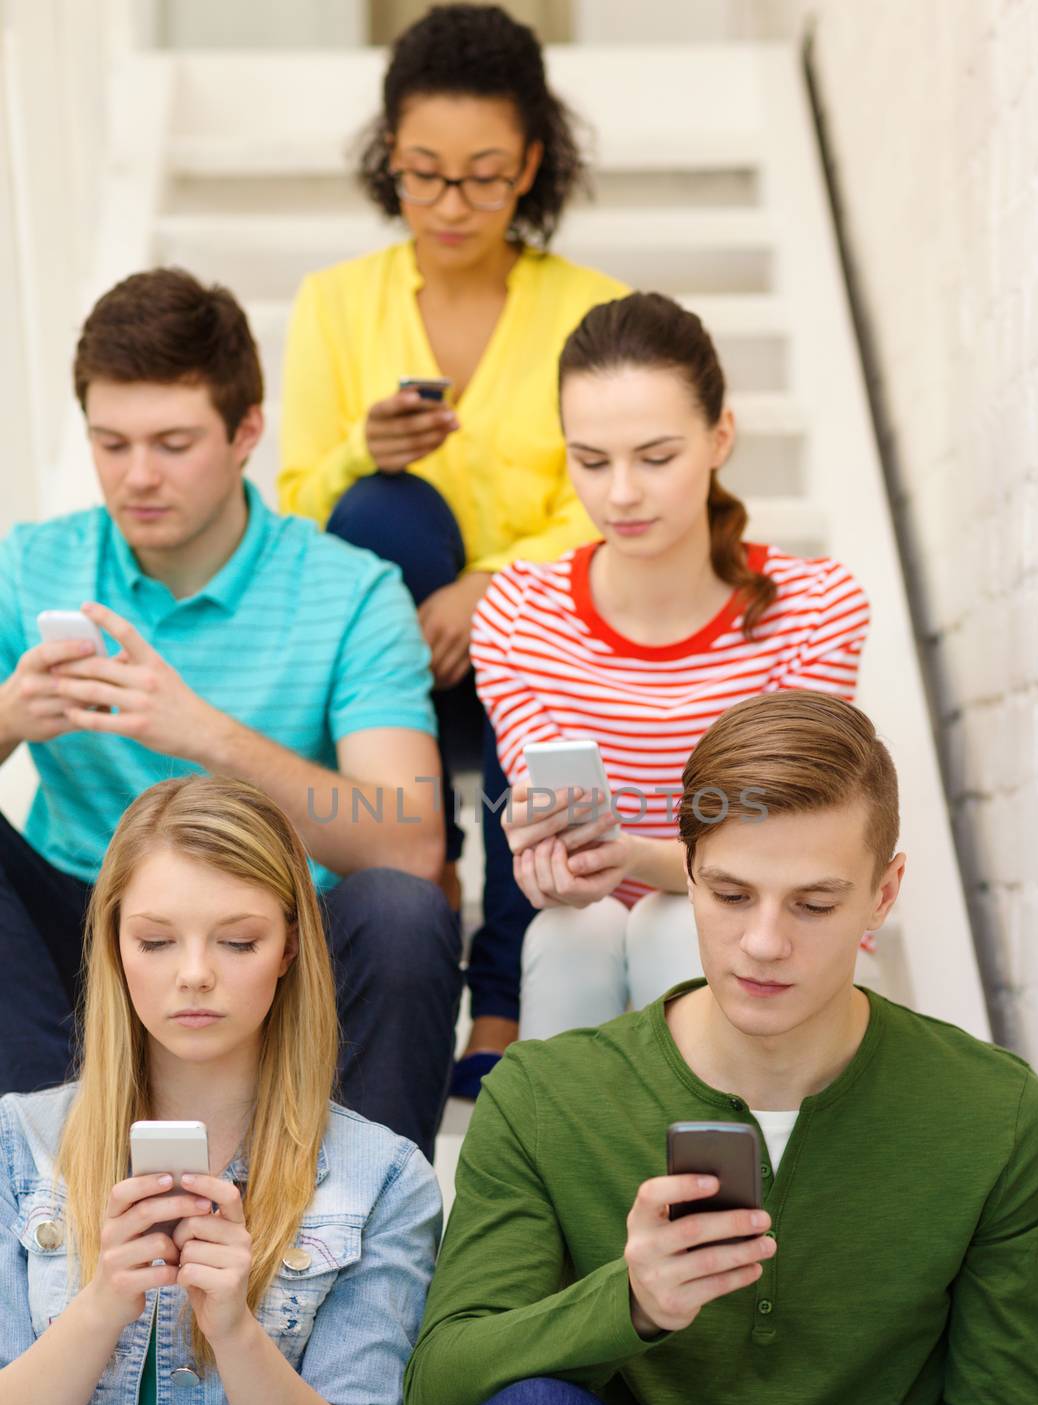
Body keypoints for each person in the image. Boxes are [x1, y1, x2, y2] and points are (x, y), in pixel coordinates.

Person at [404, 691, 1038, 1405]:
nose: (763, 943)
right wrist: (629, 1301)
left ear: (884, 892)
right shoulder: (546, 1093)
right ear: (686, 870)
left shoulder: (997, 1115)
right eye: (729, 894)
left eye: (815, 903)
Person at [0, 267, 460, 1160]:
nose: (136, 477)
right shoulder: (31, 565)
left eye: (173, 443)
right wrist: (10, 717)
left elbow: (407, 841)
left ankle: (359, 1235)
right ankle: (33, 1196)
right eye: (110, 443)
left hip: (275, 947)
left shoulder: (349, 592)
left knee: (404, 912)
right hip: (87, 935)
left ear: (246, 431)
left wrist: (198, 733)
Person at [279, 3, 626, 1091]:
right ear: (390, 160)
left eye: (481, 175)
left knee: (538, 645)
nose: (448, 203)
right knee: (382, 509)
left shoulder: (592, 311)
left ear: (529, 164)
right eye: (422, 173)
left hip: (526, 653)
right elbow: (296, 507)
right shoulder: (337, 303)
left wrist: (493, 587)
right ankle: (417, 876)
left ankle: (503, 992)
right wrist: (356, 448)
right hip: (392, 661)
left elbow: (615, 493)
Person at [0, 774, 441, 1405]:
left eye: (236, 942)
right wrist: (101, 1304)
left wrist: (235, 1327)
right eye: (156, 941)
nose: (194, 975)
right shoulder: (15, 1146)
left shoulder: (382, 1180)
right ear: (112, 947)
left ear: (289, 951)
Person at [471, 292, 870, 1045]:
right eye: (591, 461)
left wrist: (639, 859)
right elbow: (539, 795)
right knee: (567, 934)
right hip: (589, 938)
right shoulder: (518, 613)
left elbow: (785, 840)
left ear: (720, 437)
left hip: (774, 935)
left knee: (668, 922)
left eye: (656, 458)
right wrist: (541, 845)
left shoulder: (815, 608)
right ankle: (568, 1161)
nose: (620, 493)